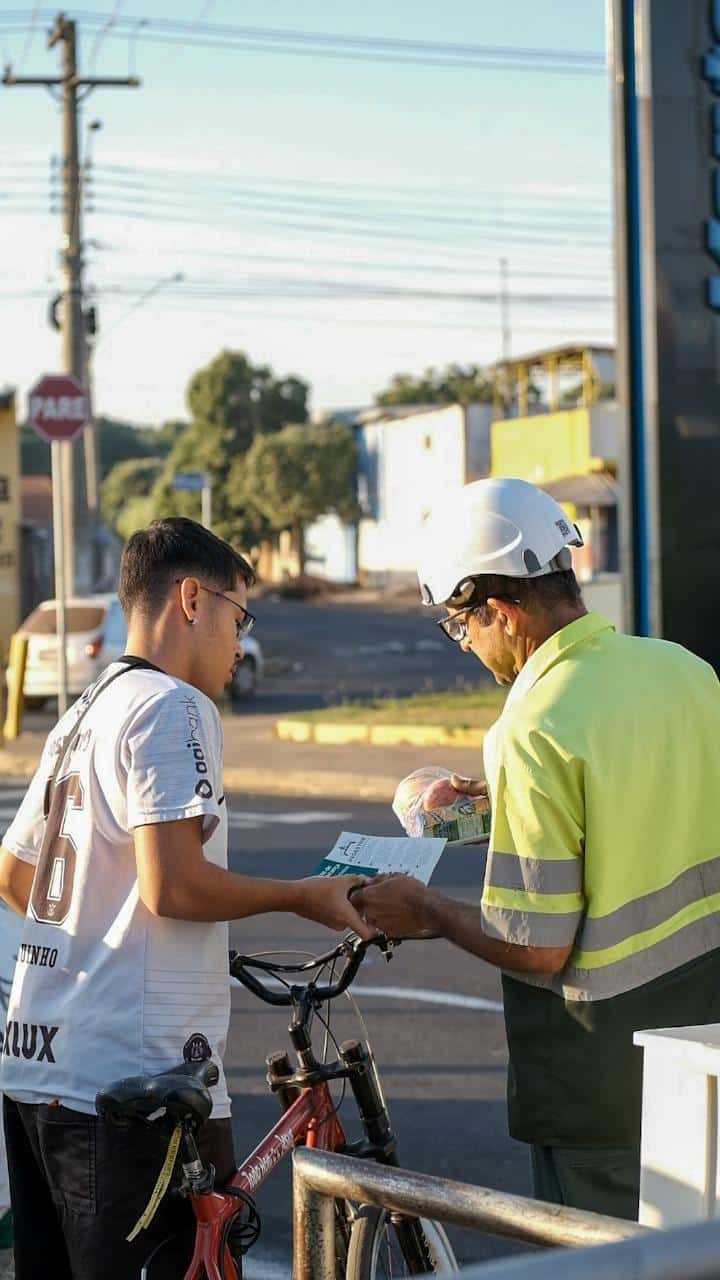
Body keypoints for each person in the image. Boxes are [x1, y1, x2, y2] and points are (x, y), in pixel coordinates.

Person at [0, 517, 372, 1280]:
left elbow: (14, 876)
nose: (241, 644)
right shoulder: (172, 705)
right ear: (192, 599)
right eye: (241, 617)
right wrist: (304, 896)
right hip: (137, 1080)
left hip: (37, 1070)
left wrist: (117, 923)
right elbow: (173, 885)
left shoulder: (83, 710)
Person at [354, 476, 720, 1222]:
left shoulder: (531, 729)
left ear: (499, 608)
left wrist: (423, 906)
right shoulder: (686, 672)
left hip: (602, 1086)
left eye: (463, 626)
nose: (467, 645)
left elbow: (536, 947)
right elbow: (647, 801)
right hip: (707, 1053)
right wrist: (500, 804)